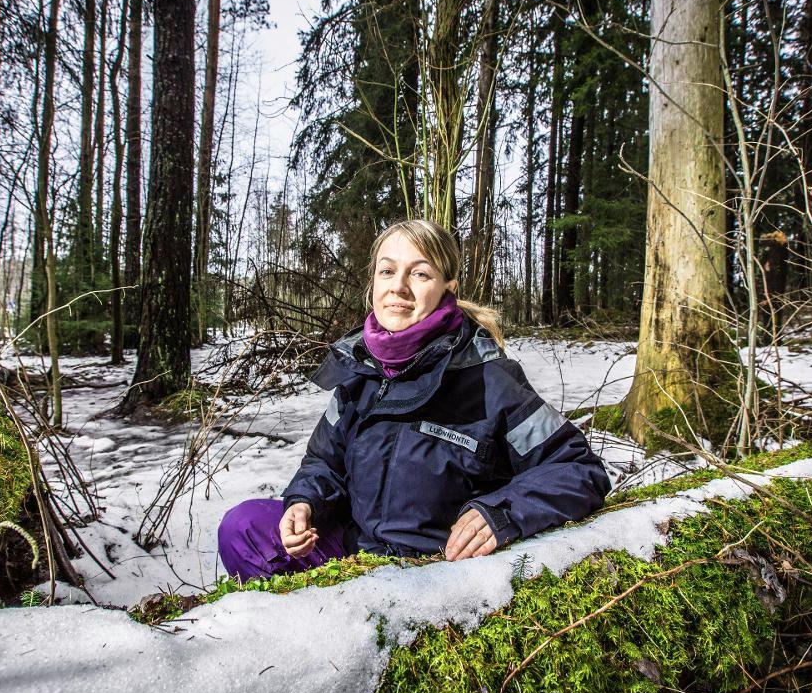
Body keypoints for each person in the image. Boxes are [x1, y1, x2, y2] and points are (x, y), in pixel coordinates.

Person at [217, 220, 610, 581]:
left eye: (419, 273)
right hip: (355, 556)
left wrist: (500, 514)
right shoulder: (359, 373)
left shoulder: (490, 379)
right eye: (387, 271)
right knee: (243, 526)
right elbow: (325, 463)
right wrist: (303, 503)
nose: (399, 286)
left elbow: (578, 468)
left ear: (447, 289)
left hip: (434, 574)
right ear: (373, 282)